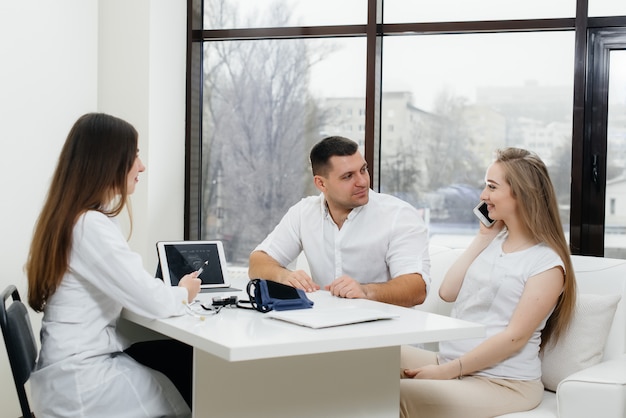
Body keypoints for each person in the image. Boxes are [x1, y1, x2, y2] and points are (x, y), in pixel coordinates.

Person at [26, 113, 201, 418]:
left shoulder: (75, 219)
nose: (142, 166)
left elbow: (134, 287)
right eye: (134, 155)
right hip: (82, 381)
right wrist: (184, 291)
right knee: (193, 372)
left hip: (70, 367)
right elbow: (153, 301)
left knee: (179, 359)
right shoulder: (90, 226)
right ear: (108, 161)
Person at [399, 147, 577, 417]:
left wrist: (446, 372)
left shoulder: (546, 263)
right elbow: (448, 292)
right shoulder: (494, 242)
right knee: (357, 359)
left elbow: (513, 338)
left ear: (521, 194)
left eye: (492, 187)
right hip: (451, 362)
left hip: (504, 382)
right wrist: (483, 237)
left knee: (398, 395)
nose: (483, 196)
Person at [248, 135, 430, 307]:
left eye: (363, 170)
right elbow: (258, 262)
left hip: (384, 332)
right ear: (321, 184)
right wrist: (283, 276)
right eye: (348, 176)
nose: (362, 182)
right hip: (325, 327)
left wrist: (365, 292)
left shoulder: (399, 215)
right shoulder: (304, 212)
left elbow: (417, 288)